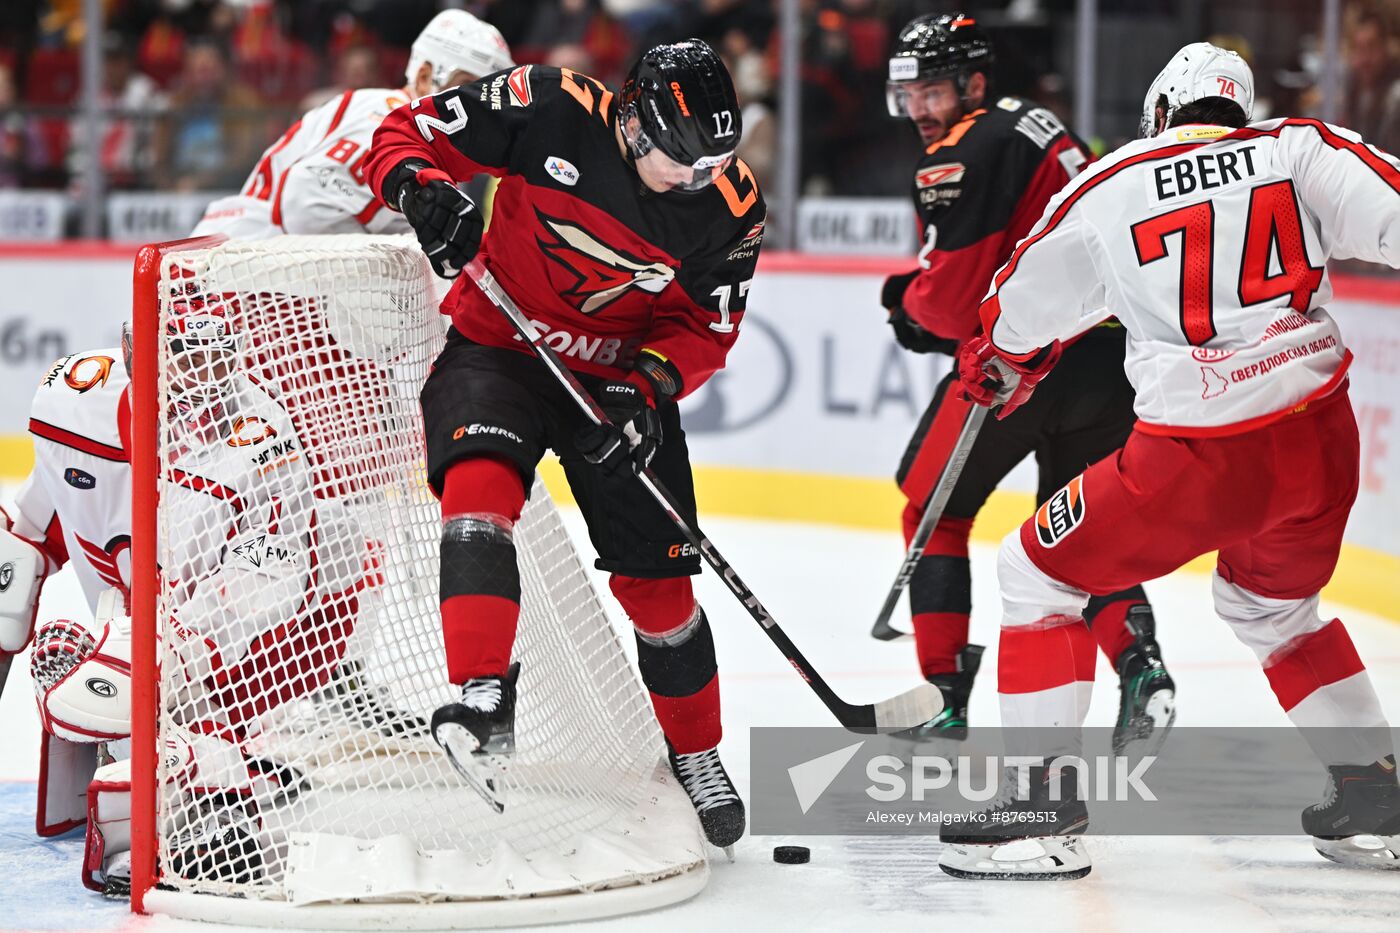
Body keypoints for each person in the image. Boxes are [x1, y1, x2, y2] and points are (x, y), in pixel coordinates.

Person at [941, 41, 1400, 880]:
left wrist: (1003, 357)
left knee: (1037, 571)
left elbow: (1018, 306)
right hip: (1320, 443)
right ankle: (1375, 794)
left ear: (1160, 111)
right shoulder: (1297, 146)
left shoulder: (1114, 179)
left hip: (1199, 456)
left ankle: (1039, 806)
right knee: (1274, 610)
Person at [364, 38, 765, 848]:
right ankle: (482, 694)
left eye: (713, 165)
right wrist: (420, 188)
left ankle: (697, 753)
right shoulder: (548, 105)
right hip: (498, 348)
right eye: (682, 164)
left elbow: (703, 326)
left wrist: (650, 385)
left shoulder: (730, 205)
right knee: (478, 486)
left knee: (660, 590)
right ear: (635, 125)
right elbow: (402, 134)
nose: (699, 182)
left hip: (615, 386)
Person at [879, 12, 1175, 753]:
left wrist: (907, 305)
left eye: (933, 92)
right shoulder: (1044, 126)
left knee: (932, 510)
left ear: (974, 85)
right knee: (1079, 533)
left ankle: (944, 696)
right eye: (908, 95)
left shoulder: (965, 147)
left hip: (1023, 364)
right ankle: (1142, 666)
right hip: (1112, 361)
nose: (919, 111)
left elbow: (950, 301)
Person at [191, 9, 513, 240]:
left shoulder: (425, 142)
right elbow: (303, 203)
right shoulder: (387, 120)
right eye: (469, 86)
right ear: (425, 76)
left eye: (487, 97)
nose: (478, 108)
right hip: (228, 270)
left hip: (249, 273)